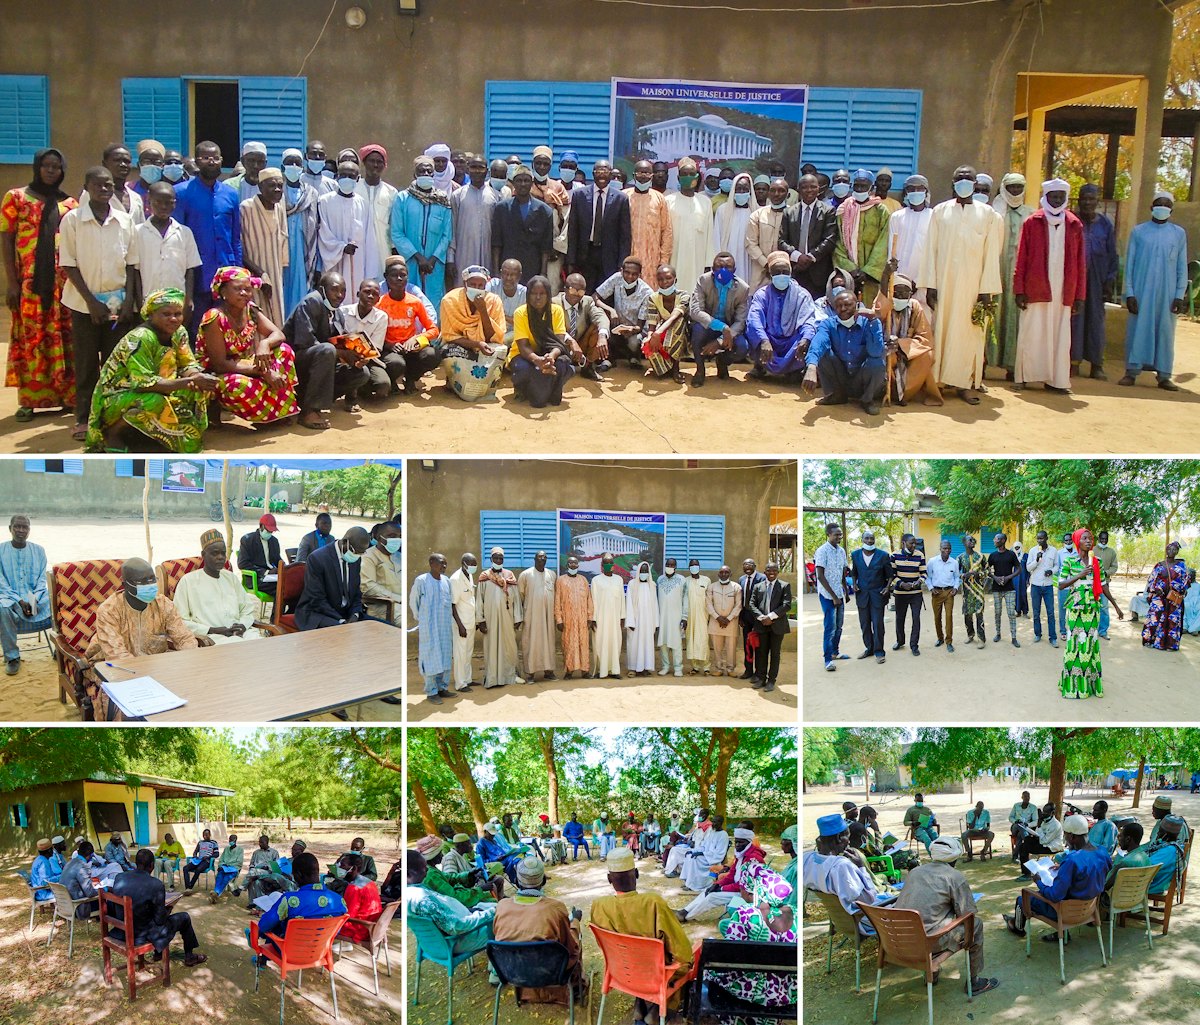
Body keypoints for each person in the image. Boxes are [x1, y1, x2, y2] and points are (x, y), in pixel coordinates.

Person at [84, 288, 216, 452]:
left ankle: (152, 436)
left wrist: (197, 377)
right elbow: (142, 384)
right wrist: (189, 381)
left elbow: (187, 364)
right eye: (166, 314)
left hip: (159, 386)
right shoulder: (140, 337)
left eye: (178, 314)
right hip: (118, 396)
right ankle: (113, 433)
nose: (173, 319)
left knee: (196, 390)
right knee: (153, 400)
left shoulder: (178, 332)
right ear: (151, 315)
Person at [59, 165, 136, 441]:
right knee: (87, 363)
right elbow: (69, 264)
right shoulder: (72, 221)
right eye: (98, 185)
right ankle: (83, 417)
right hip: (84, 305)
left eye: (108, 186)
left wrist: (128, 302)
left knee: (115, 364)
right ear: (87, 187)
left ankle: (111, 417)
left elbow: (131, 264)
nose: (104, 190)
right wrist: (91, 302)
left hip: (117, 305)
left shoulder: (124, 221)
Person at [2, 147, 78, 422]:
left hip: (63, 285)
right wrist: (12, 281)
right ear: (37, 167)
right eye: (46, 166)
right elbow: (7, 240)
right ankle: (30, 401)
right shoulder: (16, 198)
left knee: (64, 338)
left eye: (56, 167)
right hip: (29, 286)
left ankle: (66, 397)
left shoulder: (69, 204)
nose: (50, 171)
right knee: (31, 338)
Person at [922, 165, 1004, 404]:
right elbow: (931, 250)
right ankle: (937, 383)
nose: (964, 182)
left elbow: (991, 255)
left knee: (969, 336)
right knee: (942, 332)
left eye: (969, 178)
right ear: (953, 183)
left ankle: (966, 384)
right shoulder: (940, 212)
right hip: (944, 286)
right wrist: (930, 285)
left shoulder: (988, 215)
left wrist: (986, 291)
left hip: (973, 288)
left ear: (975, 182)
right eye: (960, 178)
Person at [591, 847, 696, 1023]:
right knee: (687, 961)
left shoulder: (599, 906)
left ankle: (641, 1004)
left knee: (639, 957)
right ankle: (657, 1011)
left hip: (621, 972)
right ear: (637, 874)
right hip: (653, 974)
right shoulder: (653, 903)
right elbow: (682, 951)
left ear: (609, 879)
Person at [83, 557, 196, 715]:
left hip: (156, 665)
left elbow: (184, 639)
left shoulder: (164, 605)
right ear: (126, 586)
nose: (149, 585)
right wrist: (150, 678)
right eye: (142, 582)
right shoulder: (109, 610)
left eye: (151, 579)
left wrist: (190, 663)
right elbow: (118, 658)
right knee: (121, 705)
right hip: (110, 666)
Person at [200, 265, 301, 426]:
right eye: (238, 289)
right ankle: (259, 414)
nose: (244, 293)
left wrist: (265, 343)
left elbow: (278, 334)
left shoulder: (250, 310)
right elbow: (219, 364)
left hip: (243, 365)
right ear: (223, 292)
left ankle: (276, 412)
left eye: (247, 289)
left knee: (284, 351)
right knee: (238, 386)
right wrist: (264, 372)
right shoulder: (214, 318)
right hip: (218, 374)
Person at [897, 837, 999, 995]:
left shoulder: (914, 872)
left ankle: (932, 970)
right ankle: (973, 981)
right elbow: (967, 914)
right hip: (928, 941)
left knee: (934, 919)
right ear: (955, 858)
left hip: (898, 940)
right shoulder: (955, 877)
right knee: (975, 925)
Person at [1013, 179, 1086, 394]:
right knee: (1031, 332)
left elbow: (1081, 262)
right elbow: (1021, 258)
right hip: (1036, 288)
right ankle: (1024, 376)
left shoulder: (1074, 224)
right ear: (1046, 197)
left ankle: (1057, 380)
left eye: (1060, 197)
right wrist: (1019, 289)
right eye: (1053, 196)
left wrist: (1079, 294)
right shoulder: (1032, 222)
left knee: (1060, 336)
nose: (1056, 200)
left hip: (1064, 290)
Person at [282, 271, 370, 427]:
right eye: (334, 289)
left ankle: (305, 400)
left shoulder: (337, 313)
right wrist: (340, 352)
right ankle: (309, 411)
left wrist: (353, 357)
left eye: (343, 291)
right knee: (327, 350)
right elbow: (305, 342)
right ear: (322, 289)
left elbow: (339, 344)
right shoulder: (311, 302)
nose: (339, 295)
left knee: (361, 374)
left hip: (321, 364)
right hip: (295, 365)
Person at [493, 856, 585, 1003]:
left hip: (512, 972)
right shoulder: (555, 908)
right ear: (543, 881)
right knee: (576, 940)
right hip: (552, 973)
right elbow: (571, 947)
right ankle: (575, 989)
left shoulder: (501, 906)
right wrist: (575, 921)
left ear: (516, 881)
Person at [1120, 192, 1188, 390]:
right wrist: (1130, 292)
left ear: (1172, 210)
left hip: (1167, 294)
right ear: (1151, 208)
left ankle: (1164, 375)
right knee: (1137, 329)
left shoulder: (1178, 234)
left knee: (1165, 332)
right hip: (1141, 291)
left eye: (1167, 205)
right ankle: (1131, 372)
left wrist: (1179, 295)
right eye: (1159, 204)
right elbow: (1130, 265)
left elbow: (1181, 267)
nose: (1162, 208)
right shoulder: (1139, 232)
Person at [173, 141, 242, 335]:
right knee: (197, 328)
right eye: (205, 158)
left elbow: (235, 238)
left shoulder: (230, 194)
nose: (211, 162)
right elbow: (177, 238)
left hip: (225, 273)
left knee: (227, 328)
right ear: (196, 161)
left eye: (215, 158)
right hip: (197, 275)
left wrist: (237, 272)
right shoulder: (182, 193)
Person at [1005, 814, 1109, 938]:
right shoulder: (1102, 852)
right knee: (1065, 891)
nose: (1065, 838)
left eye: (1065, 835)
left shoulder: (1072, 860)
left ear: (1072, 836)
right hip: (1089, 909)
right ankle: (1063, 934)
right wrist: (1064, 868)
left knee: (1022, 899)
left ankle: (1018, 928)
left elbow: (1054, 896)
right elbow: (1094, 872)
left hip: (1065, 913)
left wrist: (1039, 881)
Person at [112, 848, 208, 968]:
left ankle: (158, 954)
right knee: (184, 917)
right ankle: (189, 957)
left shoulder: (120, 877)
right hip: (141, 935)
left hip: (122, 931)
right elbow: (160, 921)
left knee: (147, 913)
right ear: (152, 865)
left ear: (136, 863)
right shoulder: (156, 884)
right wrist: (167, 909)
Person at [1059, 527, 1123, 699]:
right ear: (1078, 541)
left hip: (1092, 609)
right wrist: (1080, 574)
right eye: (1085, 538)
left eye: (1090, 538)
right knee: (1074, 645)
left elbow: (1103, 585)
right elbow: (1061, 584)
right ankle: (1072, 686)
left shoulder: (1098, 562)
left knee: (1090, 647)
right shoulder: (1069, 561)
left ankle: (1089, 685)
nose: (1089, 541)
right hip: (1075, 608)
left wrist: (1116, 606)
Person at [405, 850, 495, 966]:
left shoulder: (411, 891)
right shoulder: (424, 900)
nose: (427, 870)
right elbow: (458, 926)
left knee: (487, 907)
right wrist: (492, 913)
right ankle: (497, 971)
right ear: (408, 874)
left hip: (433, 943)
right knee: (503, 925)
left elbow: (449, 879)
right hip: (455, 940)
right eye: (423, 868)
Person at [803, 287, 886, 414]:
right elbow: (818, 343)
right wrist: (811, 366)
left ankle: (867, 400)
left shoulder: (869, 322)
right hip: (840, 376)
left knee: (876, 362)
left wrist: (874, 321)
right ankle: (837, 395)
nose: (842, 309)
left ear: (857, 305)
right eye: (838, 306)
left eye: (847, 305)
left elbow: (875, 352)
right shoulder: (828, 324)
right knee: (823, 352)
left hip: (861, 378)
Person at [174, 529, 264, 644]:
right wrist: (212, 630)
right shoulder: (188, 581)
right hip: (212, 638)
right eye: (215, 553)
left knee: (264, 647)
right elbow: (180, 620)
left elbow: (247, 609)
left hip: (242, 634)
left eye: (223, 553)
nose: (221, 557)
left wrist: (243, 625)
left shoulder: (231, 578)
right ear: (203, 555)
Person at [254, 852, 348, 958]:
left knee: (275, 923)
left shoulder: (290, 900)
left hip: (289, 953)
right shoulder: (340, 901)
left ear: (298, 875)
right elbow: (336, 931)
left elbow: (264, 925)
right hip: (320, 952)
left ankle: (261, 958)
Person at [1069, 183, 1119, 379]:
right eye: (1084, 199)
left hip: (1098, 279)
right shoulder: (1071, 221)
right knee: (1074, 319)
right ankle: (1073, 362)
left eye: (1091, 199)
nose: (1087, 202)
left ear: (1097, 201)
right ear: (1079, 200)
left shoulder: (1105, 224)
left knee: (1096, 321)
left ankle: (1096, 365)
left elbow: (1112, 254)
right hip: (1075, 278)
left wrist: (1110, 279)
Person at [987, 172, 1034, 377]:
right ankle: (986, 363)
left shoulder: (1031, 215)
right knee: (992, 316)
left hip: (1019, 275)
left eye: (1018, 187)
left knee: (1016, 317)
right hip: (995, 271)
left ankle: (1013, 366)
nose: (1015, 191)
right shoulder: (994, 213)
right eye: (1011, 187)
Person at [390, 156, 453, 310]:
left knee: (433, 302)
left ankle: (432, 334)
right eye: (421, 171)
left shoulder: (442, 200)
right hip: (411, 261)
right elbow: (397, 232)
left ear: (433, 174)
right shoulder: (403, 198)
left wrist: (431, 260)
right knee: (409, 300)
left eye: (428, 171)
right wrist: (418, 257)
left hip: (434, 264)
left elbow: (447, 234)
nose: (425, 173)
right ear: (415, 174)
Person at [801, 814, 884, 927]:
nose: (849, 842)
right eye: (848, 837)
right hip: (863, 920)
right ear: (839, 837)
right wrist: (861, 867)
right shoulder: (842, 866)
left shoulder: (806, 858)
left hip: (840, 921)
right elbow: (868, 900)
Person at [439, 264, 506, 401]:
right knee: (450, 350)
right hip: (461, 344)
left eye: (481, 286)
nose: (477, 289)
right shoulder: (450, 300)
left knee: (500, 350)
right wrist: (476, 343)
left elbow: (493, 337)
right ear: (465, 284)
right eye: (472, 285)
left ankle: (485, 388)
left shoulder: (493, 301)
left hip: (485, 345)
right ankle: (453, 382)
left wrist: (483, 311)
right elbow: (450, 336)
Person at [875, 267, 942, 405]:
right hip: (887, 350)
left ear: (910, 295)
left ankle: (904, 394)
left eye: (905, 293)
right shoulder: (887, 303)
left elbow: (925, 339)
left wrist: (900, 344)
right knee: (888, 356)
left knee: (927, 356)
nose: (900, 297)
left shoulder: (915, 307)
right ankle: (890, 391)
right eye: (897, 292)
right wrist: (885, 278)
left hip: (908, 353)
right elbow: (876, 315)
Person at [511, 275, 579, 406]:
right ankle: (523, 389)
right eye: (533, 293)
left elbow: (559, 342)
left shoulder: (556, 311)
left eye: (542, 294)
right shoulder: (520, 313)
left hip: (548, 355)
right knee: (524, 369)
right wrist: (538, 360)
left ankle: (549, 391)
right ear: (528, 295)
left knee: (564, 366)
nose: (537, 297)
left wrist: (551, 357)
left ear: (548, 295)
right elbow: (523, 346)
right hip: (525, 356)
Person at [749, 251, 819, 378]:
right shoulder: (762, 294)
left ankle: (795, 369)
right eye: (777, 272)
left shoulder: (802, 295)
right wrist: (764, 340)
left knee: (811, 336)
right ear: (770, 275)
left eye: (785, 272)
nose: (782, 275)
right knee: (751, 329)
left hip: (791, 341)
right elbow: (755, 319)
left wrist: (805, 339)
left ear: (790, 273)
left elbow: (809, 320)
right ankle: (759, 366)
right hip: (769, 339)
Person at [676, 823, 764, 922]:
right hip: (736, 888)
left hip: (746, 894)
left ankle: (686, 916)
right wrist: (718, 884)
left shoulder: (754, 858)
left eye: (741, 842)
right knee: (708, 890)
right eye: (736, 842)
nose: (738, 845)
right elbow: (731, 875)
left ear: (749, 842)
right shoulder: (741, 854)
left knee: (712, 897)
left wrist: (722, 888)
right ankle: (684, 911)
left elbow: (744, 885)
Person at [566, 160, 631, 292]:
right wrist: (571, 260)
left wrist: (622, 264)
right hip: (585, 255)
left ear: (610, 174)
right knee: (584, 292)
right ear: (593, 174)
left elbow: (625, 236)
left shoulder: (621, 199)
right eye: (598, 171)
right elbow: (573, 230)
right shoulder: (580, 195)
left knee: (605, 295)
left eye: (605, 171)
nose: (602, 175)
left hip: (609, 256)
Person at [239, 168, 290, 329]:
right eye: (272, 185)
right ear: (260, 187)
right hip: (252, 275)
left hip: (275, 275)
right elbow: (239, 247)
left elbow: (283, 241)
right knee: (254, 318)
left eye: (280, 186)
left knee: (276, 317)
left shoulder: (279, 209)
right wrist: (260, 274)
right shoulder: (246, 208)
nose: (277, 190)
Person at [0, 514, 51, 677]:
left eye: (25, 527)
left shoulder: (39, 550)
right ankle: (12, 657)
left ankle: (61, 649)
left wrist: (33, 599)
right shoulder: (1, 550)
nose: (21, 530)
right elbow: (1, 582)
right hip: (9, 597)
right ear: (10, 529)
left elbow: (41, 580)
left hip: (35, 597)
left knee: (56, 601)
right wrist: (20, 601)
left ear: (29, 530)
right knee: (3, 608)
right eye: (17, 526)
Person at [687, 253, 749, 386]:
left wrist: (720, 340)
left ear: (735, 270)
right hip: (708, 325)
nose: (724, 270)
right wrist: (721, 327)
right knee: (697, 330)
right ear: (713, 269)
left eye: (728, 267)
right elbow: (695, 311)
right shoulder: (703, 281)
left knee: (743, 348)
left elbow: (740, 321)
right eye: (719, 266)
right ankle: (700, 370)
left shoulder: (743, 289)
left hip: (729, 329)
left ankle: (722, 361)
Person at [294, 526, 371, 630]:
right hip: (319, 613)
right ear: (345, 542)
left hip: (346, 612)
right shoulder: (318, 558)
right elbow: (316, 599)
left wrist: (355, 614)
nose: (357, 555)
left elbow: (356, 592)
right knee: (344, 633)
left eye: (361, 553)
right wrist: (341, 620)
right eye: (355, 551)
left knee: (379, 627)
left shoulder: (356, 559)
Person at [833, 169, 890, 302]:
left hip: (871, 276)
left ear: (871, 188)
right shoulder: (843, 210)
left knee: (870, 311)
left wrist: (868, 271)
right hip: (848, 274)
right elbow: (837, 242)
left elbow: (884, 243)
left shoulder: (881, 211)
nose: (859, 189)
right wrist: (850, 269)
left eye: (863, 186)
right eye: (856, 186)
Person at [779, 172, 837, 299]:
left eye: (813, 187)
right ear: (798, 190)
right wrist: (798, 257)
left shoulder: (828, 211)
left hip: (818, 272)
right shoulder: (789, 212)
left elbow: (830, 239)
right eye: (805, 187)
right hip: (795, 269)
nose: (809, 190)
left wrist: (811, 257)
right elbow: (782, 240)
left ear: (819, 189)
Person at [493, 167, 555, 286]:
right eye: (519, 180)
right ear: (513, 183)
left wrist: (543, 273)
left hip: (532, 266)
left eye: (526, 180)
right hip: (508, 267)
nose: (522, 184)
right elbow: (496, 243)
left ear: (532, 183)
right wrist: (496, 271)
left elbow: (546, 247)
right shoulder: (502, 208)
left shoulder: (544, 211)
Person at [280, 149, 320, 318]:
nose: (294, 166)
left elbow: (316, 223)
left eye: (297, 163)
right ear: (283, 166)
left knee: (301, 287)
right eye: (290, 163)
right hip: (281, 247)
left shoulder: (311, 193)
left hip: (304, 249)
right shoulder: (276, 191)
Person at [665, 157, 714, 294]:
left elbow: (709, 234)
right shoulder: (668, 201)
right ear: (678, 178)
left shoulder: (705, 202)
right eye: (684, 174)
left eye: (691, 174)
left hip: (697, 256)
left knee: (695, 291)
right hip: (675, 255)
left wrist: (708, 263)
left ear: (697, 177)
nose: (688, 177)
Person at [478, 547, 524, 687]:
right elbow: (479, 599)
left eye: (501, 558)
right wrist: (481, 620)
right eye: (496, 558)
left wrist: (517, 618)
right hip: (490, 619)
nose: (498, 560)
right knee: (491, 647)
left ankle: (509, 676)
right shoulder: (484, 576)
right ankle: (492, 678)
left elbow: (516, 598)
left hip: (507, 618)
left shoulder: (509, 575)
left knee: (509, 646)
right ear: (491, 559)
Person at [448, 154, 499, 281]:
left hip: (488, 255)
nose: (476, 171)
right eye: (473, 167)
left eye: (480, 168)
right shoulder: (457, 195)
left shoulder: (496, 196)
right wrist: (450, 259)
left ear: (486, 171)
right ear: (467, 169)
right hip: (463, 255)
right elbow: (451, 230)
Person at [593, 257, 652, 367]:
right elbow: (595, 297)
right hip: (617, 324)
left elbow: (640, 326)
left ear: (640, 274)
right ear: (621, 271)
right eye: (627, 272)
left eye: (634, 274)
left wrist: (631, 330)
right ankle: (609, 359)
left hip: (635, 330)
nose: (630, 277)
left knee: (634, 342)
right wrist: (611, 310)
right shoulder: (616, 279)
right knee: (602, 327)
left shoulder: (647, 292)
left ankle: (634, 356)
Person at [553, 272, 611, 381]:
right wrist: (571, 341)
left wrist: (603, 336)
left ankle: (588, 367)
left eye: (580, 291)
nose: (576, 295)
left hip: (581, 344)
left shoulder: (587, 301)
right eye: (573, 290)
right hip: (561, 345)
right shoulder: (554, 303)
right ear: (565, 289)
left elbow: (601, 317)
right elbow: (554, 329)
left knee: (597, 328)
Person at [885, 174, 934, 303]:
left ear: (926, 192)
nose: (915, 192)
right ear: (906, 192)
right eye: (911, 189)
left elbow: (935, 253)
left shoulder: (934, 217)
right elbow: (892, 251)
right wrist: (897, 279)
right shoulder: (897, 216)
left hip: (924, 283)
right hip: (899, 283)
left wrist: (919, 281)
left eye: (920, 189)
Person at [627, 159, 673, 287]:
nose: (643, 176)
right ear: (634, 175)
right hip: (629, 258)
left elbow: (666, 231)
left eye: (647, 173)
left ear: (652, 176)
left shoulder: (659, 199)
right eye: (640, 172)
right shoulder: (624, 197)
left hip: (652, 260)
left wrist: (663, 261)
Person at [641, 264, 690, 382]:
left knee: (678, 323)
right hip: (662, 329)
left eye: (668, 278)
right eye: (660, 279)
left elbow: (675, 316)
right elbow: (652, 322)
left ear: (675, 280)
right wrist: (650, 337)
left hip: (684, 333)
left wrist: (658, 333)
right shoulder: (653, 298)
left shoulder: (684, 296)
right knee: (647, 344)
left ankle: (675, 368)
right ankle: (665, 367)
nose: (664, 282)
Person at [850, 530, 892, 664]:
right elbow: (854, 572)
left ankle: (879, 651)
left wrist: (887, 587)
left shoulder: (883, 555)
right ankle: (869, 648)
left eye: (872, 538)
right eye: (867, 538)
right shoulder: (855, 555)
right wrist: (855, 584)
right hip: (862, 595)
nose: (869, 541)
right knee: (865, 624)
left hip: (878, 595)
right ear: (862, 539)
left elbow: (890, 575)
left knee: (878, 624)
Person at [355, 144, 398, 274]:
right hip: (358, 247)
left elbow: (394, 224)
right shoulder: (354, 189)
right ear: (363, 163)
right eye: (371, 161)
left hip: (383, 248)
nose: (375, 165)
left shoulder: (391, 192)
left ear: (384, 166)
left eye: (379, 162)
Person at [749, 562, 790, 692]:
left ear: (778, 572)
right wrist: (762, 617)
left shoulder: (784, 586)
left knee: (775, 654)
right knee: (761, 653)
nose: (771, 573)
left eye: (774, 571)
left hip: (777, 626)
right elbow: (751, 604)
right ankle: (761, 678)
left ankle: (771, 680)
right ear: (765, 572)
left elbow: (787, 604)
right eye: (769, 570)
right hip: (761, 625)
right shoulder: (758, 586)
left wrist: (771, 617)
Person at [517, 551, 557, 681]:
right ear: (534, 559)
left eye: (545, 557)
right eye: (540, 557)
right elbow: (521, 595)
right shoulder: (526, 575)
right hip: (532, 615)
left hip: (548, 616)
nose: (542, 559)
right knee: (531, 642)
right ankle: (530, 673)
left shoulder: (552, 574)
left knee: (548, 642)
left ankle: (549, 671)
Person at [713, 173, 761, 283]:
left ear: (750, 191)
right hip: (728, 257)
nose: (741, 192)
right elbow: (716, 237)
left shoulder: (756, 212)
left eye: (745, 189)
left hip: (748, 259)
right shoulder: (723, 211)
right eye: (738, 189)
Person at [745, 177, 789, 294]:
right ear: (768, 193)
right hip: (760, 270)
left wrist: (781, 266)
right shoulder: (757, 215)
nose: (776, 194)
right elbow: (750, 244)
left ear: (787, 194)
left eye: (781, 191)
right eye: (773, 190)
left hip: (785, 271)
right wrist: (766, 264)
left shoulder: (793, 215)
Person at [1143, 540, 1189, 652]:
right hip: (1159, 598)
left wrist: (1180, 590)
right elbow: (1151, 581)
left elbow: (1186, 581)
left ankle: (1171, 645)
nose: (1171, 551)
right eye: (1169, 549)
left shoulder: (1182, 565)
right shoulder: (1159, 565)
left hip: (1173, 598)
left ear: (1177, 552)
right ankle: (1151, 640)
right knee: (1155, 618)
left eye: (1174, 549)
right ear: (1166, 550)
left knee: (1173, 621)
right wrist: (1156, 590)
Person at [554, 554, 592, 679]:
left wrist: (589, 617)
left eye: (575, 563)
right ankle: (569, 671)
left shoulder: (583, 580)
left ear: (578, 565)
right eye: (571, 563)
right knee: (568, 645)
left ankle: (585, 670)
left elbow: (589, 600)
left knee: (583, 645)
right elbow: (557, 600)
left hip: (582, 620)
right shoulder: (561, 580)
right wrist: (559, 619)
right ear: (567, 565)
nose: (573, 565)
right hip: (568, 619)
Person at [360, 520, 404, 624]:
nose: (397, 539)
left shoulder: (400, 556)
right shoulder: (368, 556)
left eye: (400, 536)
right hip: (383, 605)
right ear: (380, 538)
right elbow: (368, 586)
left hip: (402, 603)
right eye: (392, 535)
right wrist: (397, 598)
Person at [889, 534, 926, 657]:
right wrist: (901, 584)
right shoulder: (894, 555)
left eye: (915, 543)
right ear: (904, 543)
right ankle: (900, 641)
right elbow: (892, 575)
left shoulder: (920, 555)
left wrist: (919, 582)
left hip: (916, 594)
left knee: (916, 619)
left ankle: (914, 645)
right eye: (911, 543)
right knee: (900, 618)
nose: (914, 545)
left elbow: (924, 573)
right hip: (900, 593)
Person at [592, 554, 626, 680]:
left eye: (611, 562)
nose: (609, 565)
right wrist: (593, 619)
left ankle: (614, 670)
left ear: (614, 564)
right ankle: (602, 670)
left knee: (615, 642)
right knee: (601, 643)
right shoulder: (596, 580)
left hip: (615, 618)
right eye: (606, 563)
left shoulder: (619, 580)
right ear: (602, 565)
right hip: (601, 619)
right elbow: (594, 600)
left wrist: (622, 617)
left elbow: (622, 598)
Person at [652, 558, 687, 677]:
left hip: (676, 617)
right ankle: (665, 666)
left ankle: (678, 667)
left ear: (676, 566)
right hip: (662, 617)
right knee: (663, 643)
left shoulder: (682, 580)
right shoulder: (660, 579)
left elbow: (685, 599)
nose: (670, 566)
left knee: (676, 643)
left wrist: (684, 617)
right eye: (668, 564)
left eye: (672, 565)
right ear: (665, 565)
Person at [704, 565, 741, 677]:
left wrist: (728, 619)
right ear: (718, 574)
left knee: (731, 647)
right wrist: (718, 617)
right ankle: (719, 668)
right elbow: (708, 604)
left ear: (730, 574)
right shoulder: (711, 587)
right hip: (715, 622)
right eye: (721, 572)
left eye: (726, 572)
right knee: (717, 647)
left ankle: (730, 669)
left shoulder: (736, 587)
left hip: (731, 622)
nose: (724, 574)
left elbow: (738, 605)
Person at [624, 560, 659, 677]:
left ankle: (645, 667)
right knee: (634, 645)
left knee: (647, 644)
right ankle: (633, 668)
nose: (644, 573)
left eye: (646, 571)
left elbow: (655, 604)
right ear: (638, 571)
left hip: (648, 621)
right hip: (635, 621)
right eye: (642, 570)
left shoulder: (652, 585)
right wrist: (630, 621)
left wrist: (655, 623)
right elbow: (628, 602)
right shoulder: (632, 584)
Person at [448, 553, 477, 691]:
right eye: (471, 564)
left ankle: (467, 679)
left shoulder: (469, 575)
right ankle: (460, 683)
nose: (473, 567)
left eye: (475, 564)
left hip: (470, 621)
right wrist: (460, 626)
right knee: (460, 654)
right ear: (463, 563)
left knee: (468, 652)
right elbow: (452, 605)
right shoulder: (455, 579)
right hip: (461, 624)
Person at [238, 513, 283, 599]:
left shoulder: (274, 541)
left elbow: (278, 560)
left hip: (273, 577)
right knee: (280, 588)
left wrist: (282, 567)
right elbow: (242, 564)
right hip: (256, 578)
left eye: (272, 531)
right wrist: (265, 572)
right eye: (268, 531)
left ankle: (285, 611)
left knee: (291, 586)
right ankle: (276, 612)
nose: (270, 533)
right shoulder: (247, 540)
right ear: (261, 526)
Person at [987, 532, 1021, 647]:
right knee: (997, 612)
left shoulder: (1011, 554)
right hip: (996, 589)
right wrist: (995, 577)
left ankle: (1014, 637)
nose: (994, 540)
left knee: (1011, 612)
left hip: (1009, 589)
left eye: (996, 539)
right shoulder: (992, 555)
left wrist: (1007, 578)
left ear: (1002, 541)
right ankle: (998, 633)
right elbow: (986, 570)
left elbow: (1018, 569)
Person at [927, 539, 960, 652]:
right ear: (940, 548)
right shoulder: (932, 561)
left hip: (949, 592)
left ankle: (949, 641)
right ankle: (940, 638)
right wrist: (931, 588)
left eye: (949, 548)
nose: (947, 550)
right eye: (944, 548)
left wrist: (956, 588)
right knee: (937, 617)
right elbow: (928, 577)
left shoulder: (954, 562)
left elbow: (957, 577)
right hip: (936, 592)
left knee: (949, 616)